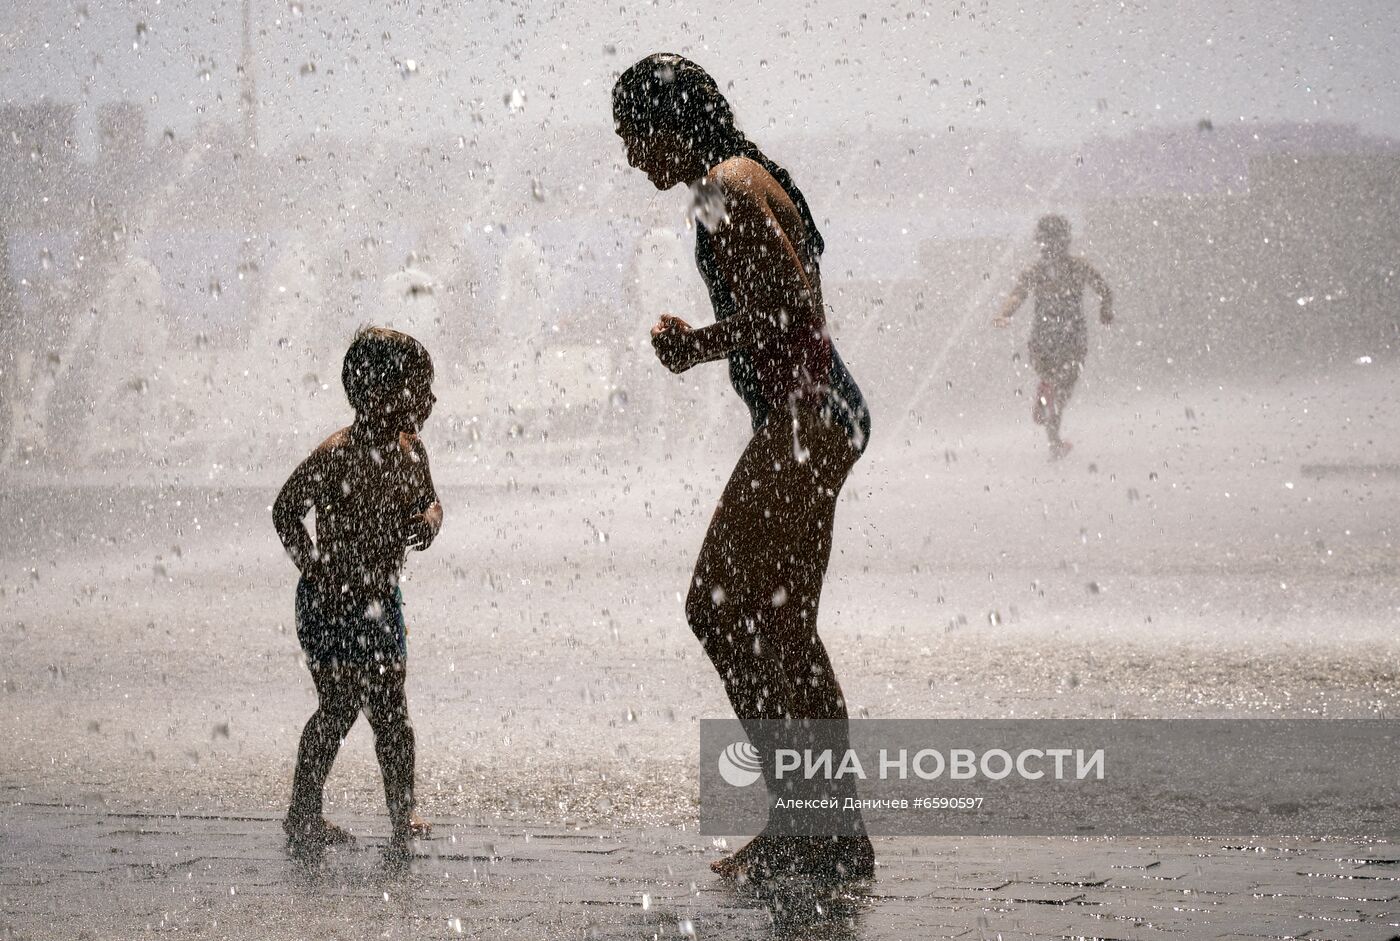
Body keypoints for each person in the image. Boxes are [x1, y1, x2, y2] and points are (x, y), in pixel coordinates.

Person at [612, 53, 874, 883]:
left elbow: (793, 307)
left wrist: (698, 345)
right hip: (821, 412)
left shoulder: (724, 181)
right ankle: (832, 832)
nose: (629, 156)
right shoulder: (738, 176)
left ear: (670, 121)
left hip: (805, 414)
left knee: (715, 609)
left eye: (633, 134)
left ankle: (806, 822)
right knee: (786, 629)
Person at [273, 326, 443, 864]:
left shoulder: (411, 452)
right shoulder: (336, 454)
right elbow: (285, 510)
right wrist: (313, 565)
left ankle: (403, 810)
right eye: (421, 388)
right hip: (329, 602)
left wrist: (428, 520)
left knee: (393, 709)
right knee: (340, 705)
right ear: (378, 394)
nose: (431, 400)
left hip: (381, 600)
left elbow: (433, 503)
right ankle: (303, 812)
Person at [993, 214, 1114, 460]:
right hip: (1071, 337)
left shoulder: (1035, 271)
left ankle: (1049, 403)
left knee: (1053, 383)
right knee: (1063, 391)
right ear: (1067, 240)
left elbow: (1017, 295)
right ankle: (1053, 434)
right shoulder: (1078, 267)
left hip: (1043, 337)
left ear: (1040, 242)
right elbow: (1103, 289)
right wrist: (1105, 310)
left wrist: (1004, 314)